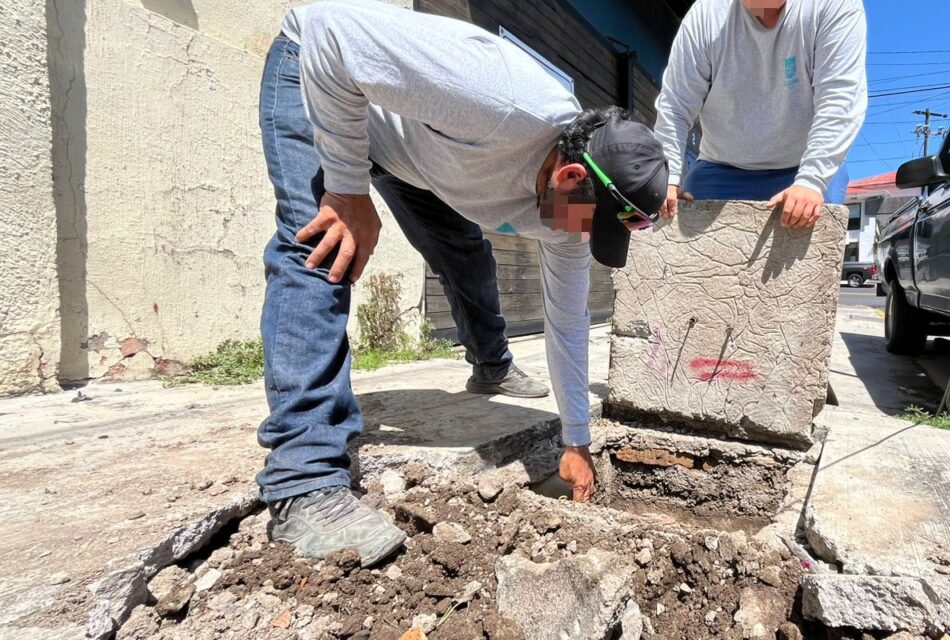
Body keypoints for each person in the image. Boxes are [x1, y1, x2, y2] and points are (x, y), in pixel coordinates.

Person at [256, 0, 668, 567]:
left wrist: (575, 441)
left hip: (415, 157)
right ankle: (303, 479)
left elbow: (569, 322)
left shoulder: (569, 210)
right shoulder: (497, 100)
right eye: (588, 224)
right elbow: (328, 32)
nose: (579, 238)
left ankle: (492, 366)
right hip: (318, 80)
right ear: (572, 177)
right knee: (324, 249)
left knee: (467, 255)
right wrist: (347, 190)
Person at [655, 0, 868, 227]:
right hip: (720, 167)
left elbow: (839, 98)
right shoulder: (706, 14)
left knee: (816, 252)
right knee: (680, 239)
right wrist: (667, 177)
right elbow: (676, 104)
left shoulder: (833, 5)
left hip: (804, 167)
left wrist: (811, 181)